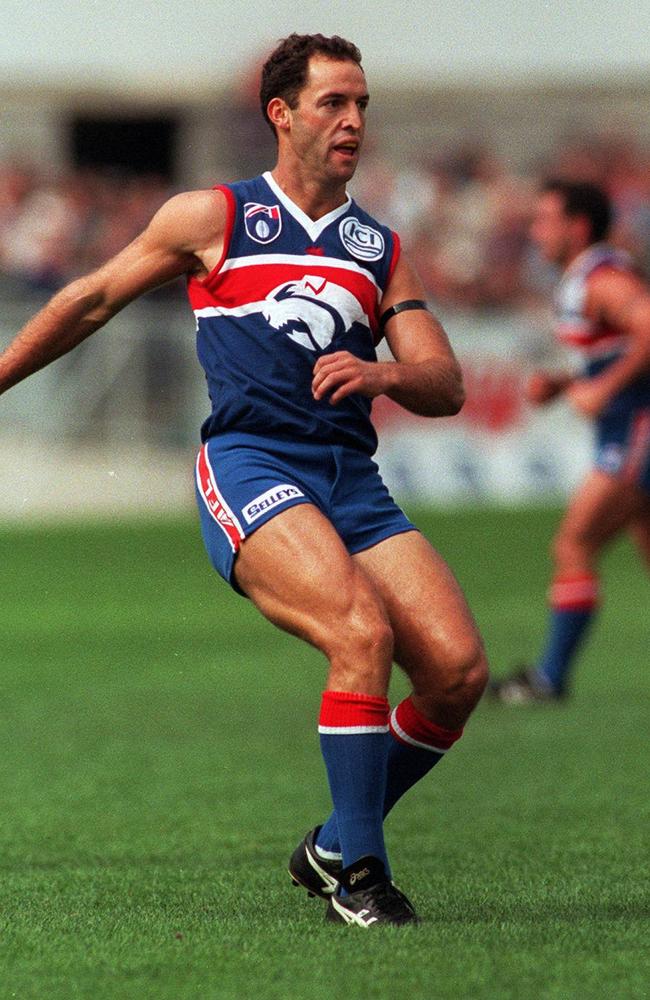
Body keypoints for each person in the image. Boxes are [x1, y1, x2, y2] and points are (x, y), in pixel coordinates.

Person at [0, 33, 488, 926]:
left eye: (363, 105)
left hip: (351, 482)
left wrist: (381, 372)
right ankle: (363, 880)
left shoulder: (377, 248)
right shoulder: (213, 215)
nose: (352, 121)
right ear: (281, 113)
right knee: (358, 631)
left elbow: (446, 382)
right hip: (253, 465)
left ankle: (336, 839)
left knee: (457, 673)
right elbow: (92, 298)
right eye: (334, 102)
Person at [491, 180, 650, 705]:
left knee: (574, 541)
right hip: (625, 429)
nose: (536, 230)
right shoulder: (583, 280)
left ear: (577, 227)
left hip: (636, 431)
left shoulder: (603, 277)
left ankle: (549, 678)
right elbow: (617, 347)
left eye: (545, 219)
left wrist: (602, 388)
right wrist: (565, 384)